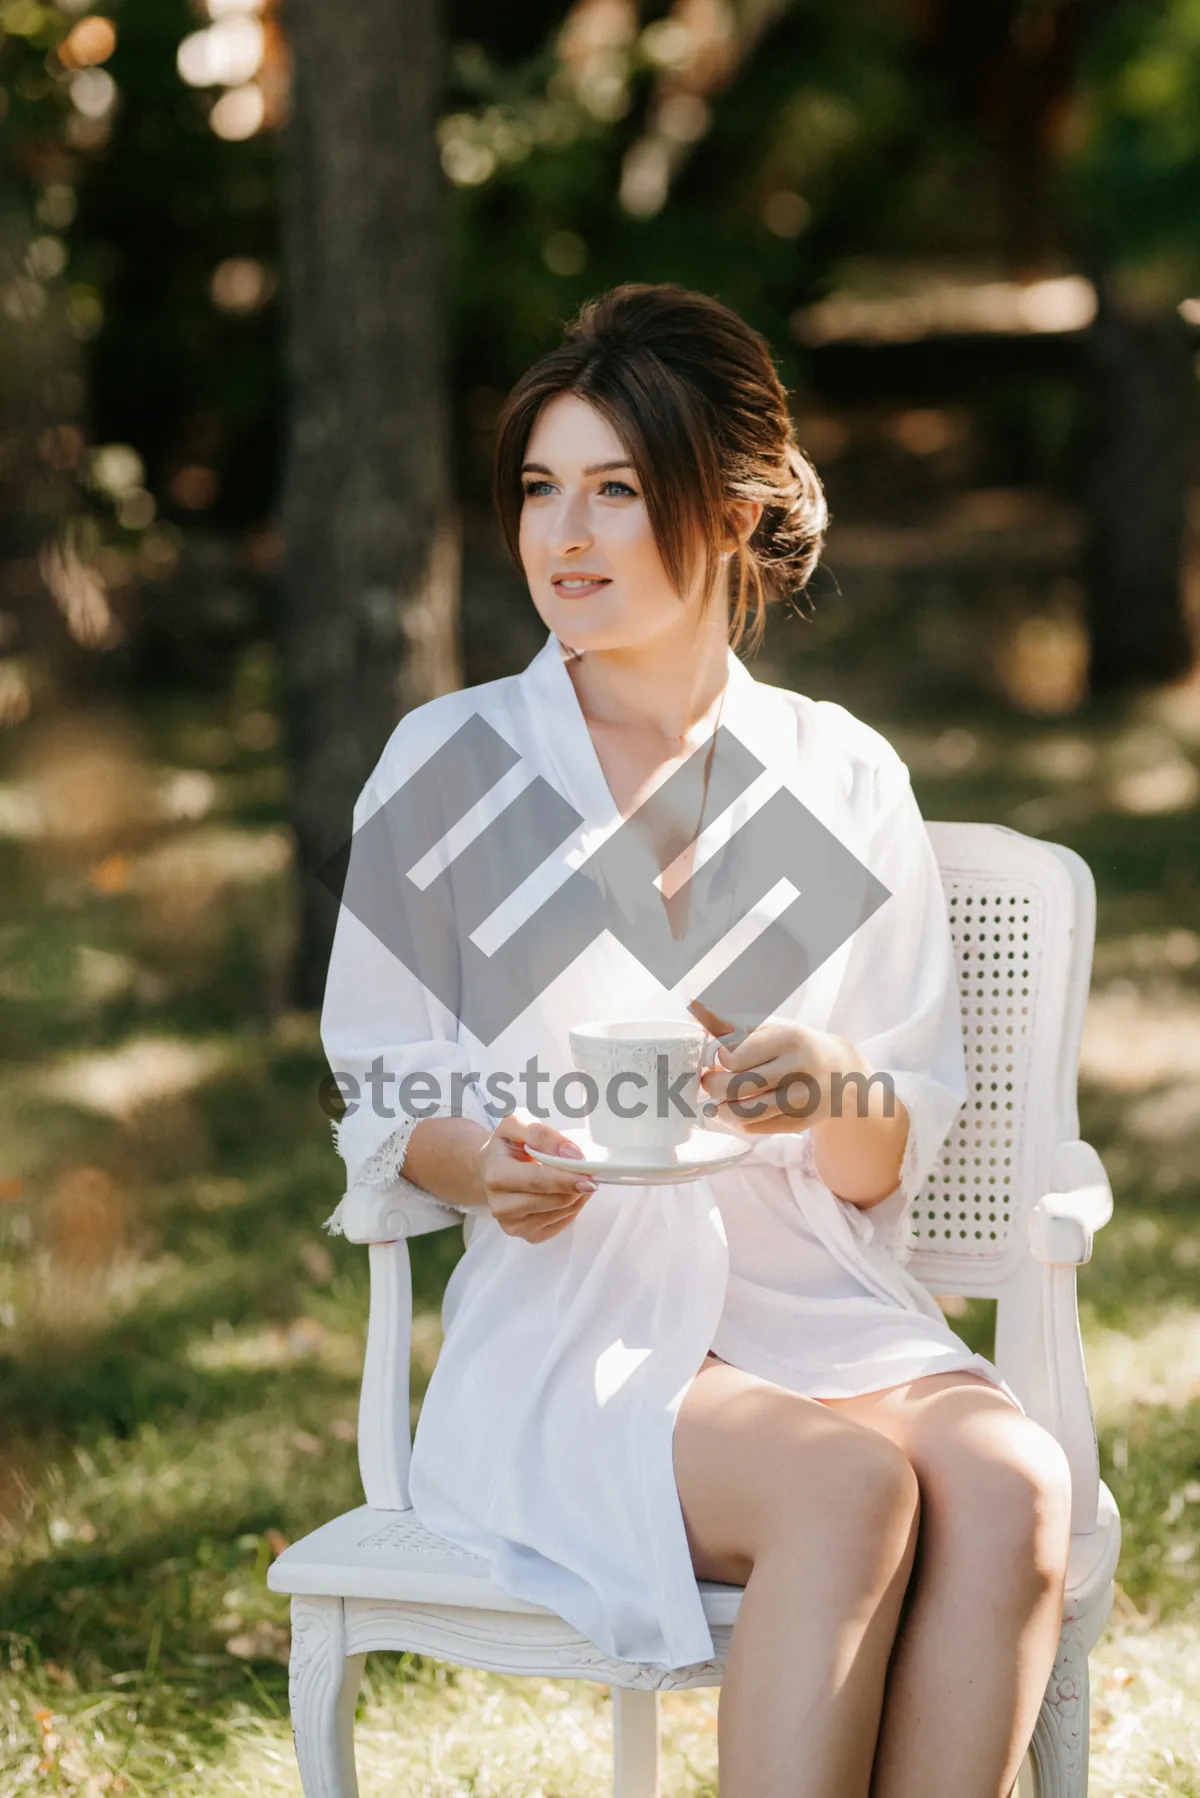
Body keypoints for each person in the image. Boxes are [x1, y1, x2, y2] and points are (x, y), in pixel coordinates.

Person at [321, 283, 1072, 1798]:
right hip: (569, 1334)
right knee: (849, 1487)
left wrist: (827, 1082)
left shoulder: (838, 771)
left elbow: (877, 1163)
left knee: (1010, 1482)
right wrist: (488, 1168)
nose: (564, 535)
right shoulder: (456, 766)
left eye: (616, 488)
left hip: (821, 1311)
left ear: (727, 513)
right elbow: (383, 1089)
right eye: (541, 488)